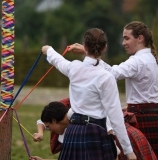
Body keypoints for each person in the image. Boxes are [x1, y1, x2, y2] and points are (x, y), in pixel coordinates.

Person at [40, 28, 136, 160]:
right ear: (105, 48)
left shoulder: (74, 67)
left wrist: (48, 50)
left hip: (74, 131)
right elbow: (116, 116)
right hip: (95, 133)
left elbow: (58, 60)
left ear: (84, 46)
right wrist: (128, 150)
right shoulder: (106, 77)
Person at [69, 21, 158, 156]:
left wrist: (90, 53)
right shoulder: (151, 58)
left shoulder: (137, 61)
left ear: (140, 38)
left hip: (141, 118)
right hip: (153, 116)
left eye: (127, 38)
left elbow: (111, 73)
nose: (123, 43)